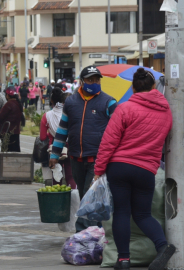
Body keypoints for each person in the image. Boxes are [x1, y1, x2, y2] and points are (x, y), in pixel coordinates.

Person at [94, 68, 174, 270]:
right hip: (146, 169)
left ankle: (123, 260)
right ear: (154, 86)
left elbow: (108, 142)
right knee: (143, 215)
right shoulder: (166, 112)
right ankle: (163, 246)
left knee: (122, 212)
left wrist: (98, 169)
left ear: (133, 87)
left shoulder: (125, 108)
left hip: (119, 167)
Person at [49, 65, 117, 232]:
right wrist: (55, 154)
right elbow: (63, 130)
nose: (94, 82)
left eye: (96, 79)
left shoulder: (109, 102)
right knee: (83, 196)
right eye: (90, 80)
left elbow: (118, 130)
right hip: (75, 158)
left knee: (89, 197)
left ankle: (85, 234)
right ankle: (95, 233)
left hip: (97, 159)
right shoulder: (71, 102)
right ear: (82, 81)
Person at [40, 89, 76, 188]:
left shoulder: (46, 116)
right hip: (70, 147)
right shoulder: (71, 114)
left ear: (52, 101)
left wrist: (50, 134)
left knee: (56, 176)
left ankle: (57, 199)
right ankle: (73, 199)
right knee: (70, 176)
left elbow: (42, 137)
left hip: (53, 148)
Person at [0, 87, 25, 152]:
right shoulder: (18, 104)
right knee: (15, 153)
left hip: (7, 132)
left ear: (7, 95)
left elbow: (0, 117)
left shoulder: (9, 104)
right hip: (15, 132)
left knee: (6, 152)